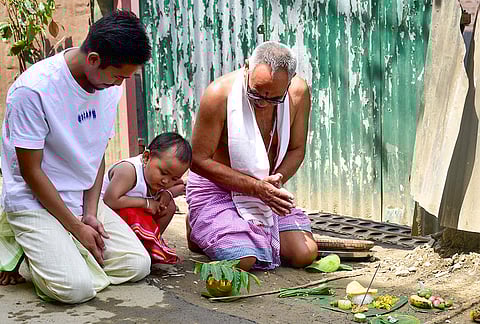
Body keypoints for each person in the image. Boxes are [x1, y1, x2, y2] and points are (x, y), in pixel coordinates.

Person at [0, 10, 152, 303]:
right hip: (34, 200)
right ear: (93, 59)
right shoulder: (34, 90)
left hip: (81, 196)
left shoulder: (106, 85)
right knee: (75, 290)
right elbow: (31, 173)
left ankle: (61, 253)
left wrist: (91, 214)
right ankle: (23, 252)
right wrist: (76, 226)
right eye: (118, 76)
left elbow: (96, 153)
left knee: (137, 265)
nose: (120, 85)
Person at [186, 41, 318, 271]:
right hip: (218, 188)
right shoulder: (219, 94)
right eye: (256, 94)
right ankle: (197, 225)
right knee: (241, 258)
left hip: (266, 189)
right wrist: (256, 188)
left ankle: (228, 231)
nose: (263, 104)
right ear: (246, 68)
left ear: (290, 80)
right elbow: (197, 160)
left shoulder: (299, 92)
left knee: (303, 254)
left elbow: (297, 149)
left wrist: (278, 177)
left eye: (274, 98)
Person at [101, 132, 191, 265]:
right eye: (163, 173)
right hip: (105, 216)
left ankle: (149, 246)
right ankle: (131, 248)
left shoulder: (160, 180)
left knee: (168, 206)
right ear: (146, 157)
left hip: (129, 217)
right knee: (133, 211)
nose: (166, 181)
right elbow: (110, 200)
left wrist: (168, 194)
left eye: (174, 178)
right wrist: (147, 203)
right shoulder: (129, 170)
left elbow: (178, 186)